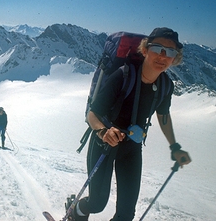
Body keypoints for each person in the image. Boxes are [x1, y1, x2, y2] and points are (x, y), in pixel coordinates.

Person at [71, 27, 191, 221]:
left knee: (126, 214)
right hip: (104, 144)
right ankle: (77, 210)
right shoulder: (123, 75)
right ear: (145, 50)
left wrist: (174, 146)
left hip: (132, 148)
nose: (163, 56)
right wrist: (103, 132)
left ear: (174, 58)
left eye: (170, 52)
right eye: (158, 48)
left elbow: (163, 115)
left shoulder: (166, 85)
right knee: (97, 203)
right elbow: (92, 114)